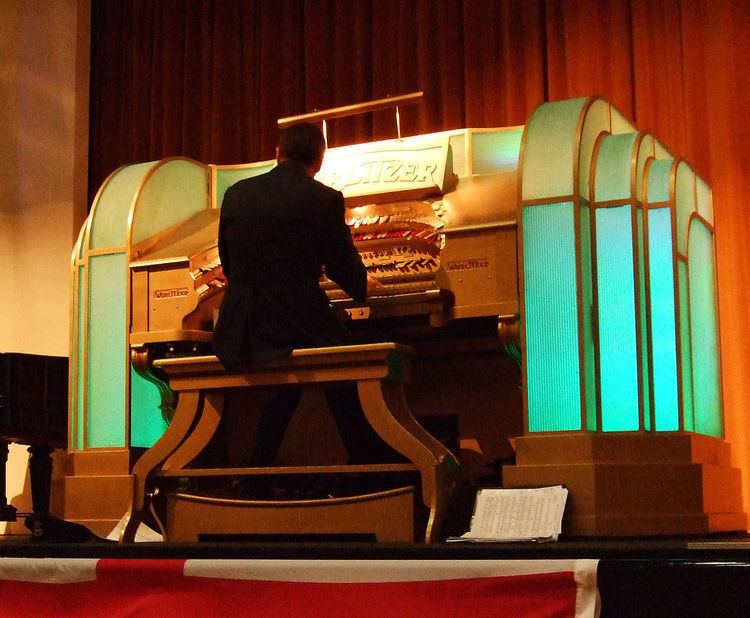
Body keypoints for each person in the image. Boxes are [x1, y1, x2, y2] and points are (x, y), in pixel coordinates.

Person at [212, 122, 394, 466]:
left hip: (242, 327)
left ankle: (258, 468)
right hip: (294, 321)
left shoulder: (236, 194)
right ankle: (371, 465)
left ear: (277, 154)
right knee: (349, 362)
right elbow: (345, 269)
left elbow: (229, 264)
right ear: (320, 160)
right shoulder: (323, 198)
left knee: (291, 378)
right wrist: (366, 285)